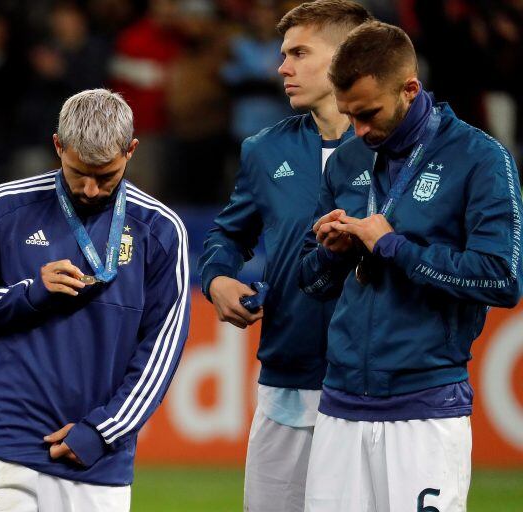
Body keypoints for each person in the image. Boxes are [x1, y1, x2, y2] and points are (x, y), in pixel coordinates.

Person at [299, 21, 523, 511]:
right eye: (348, 115)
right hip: (339, 406)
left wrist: (394, 247)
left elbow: (503, 278)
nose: (358, 130)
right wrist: (331, 256)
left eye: (369, 113)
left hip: (424, 409)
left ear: (410, 88)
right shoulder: (347, 160)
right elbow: (311, 283)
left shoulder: (480, 159)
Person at [0, 88, 190, 511]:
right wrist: (29, 293)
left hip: (95, 459)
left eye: (105, 175)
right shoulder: (5, 206)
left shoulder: (160, 230)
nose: (89, 189)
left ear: (131, 151)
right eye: (77, 172)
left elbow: (162, 350)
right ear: (58, 145)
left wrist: (104, 430)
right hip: (3, 443)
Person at [197, 2, 371, 510]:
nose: (282, 68)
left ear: (345, 59)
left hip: (376, 386)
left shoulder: (403, 154)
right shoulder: (264, 150)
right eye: (283, 54)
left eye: (299, 53)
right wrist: (217, 279)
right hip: (288, 381)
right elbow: (227, 237)